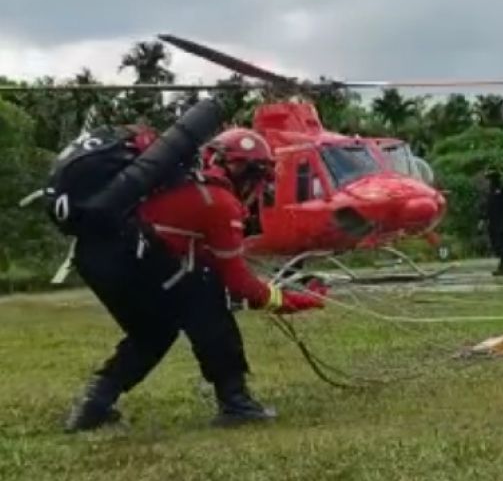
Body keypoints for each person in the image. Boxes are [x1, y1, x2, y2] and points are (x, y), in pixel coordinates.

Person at [65, 127, 326, 432]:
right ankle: (235, 401)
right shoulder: (219, 202)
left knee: (152, 333)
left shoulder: (181, 184)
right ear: (250, 174)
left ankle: (93, 406)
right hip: (130, 255)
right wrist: (294, 300)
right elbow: (240, 284)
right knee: (205, 296)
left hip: (94, 257)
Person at [480, 167, 503, 276]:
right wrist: (482, 219)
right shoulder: (489, 192)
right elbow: (486, 207)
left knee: (501, 244)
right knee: (496, 244)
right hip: (493, 222)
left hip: (502, 221)